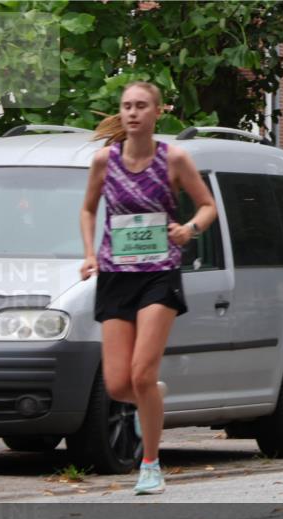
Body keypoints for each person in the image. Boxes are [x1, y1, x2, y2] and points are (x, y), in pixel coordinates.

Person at [79, 81, 217, 494]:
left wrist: (189, 229)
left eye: (141, 106)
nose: (133, 112)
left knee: (141, 372)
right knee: (118, 385)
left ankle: (151, 465)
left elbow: (208, 206)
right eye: (127, 106)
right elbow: (88, 209)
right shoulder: (104, 161)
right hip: (116, 275)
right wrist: (89, 254)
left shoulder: (173, 158)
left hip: (160, 273)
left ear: (157, 112)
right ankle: (150, 397)